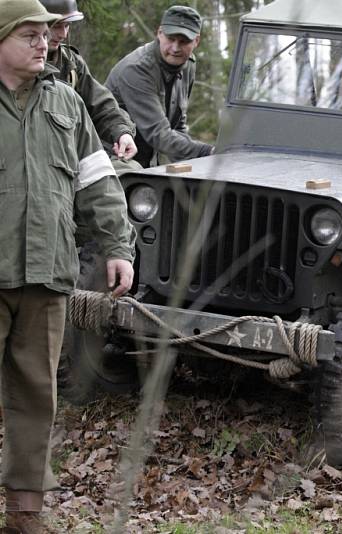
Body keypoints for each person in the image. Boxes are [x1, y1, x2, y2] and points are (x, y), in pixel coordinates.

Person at [0, 1, 135, 531]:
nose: (43, 43)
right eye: (28, 35)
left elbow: (97, 182)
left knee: (36, 394)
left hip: (46, 274)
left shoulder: (69, 103)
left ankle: (24, 514)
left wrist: (117, 247)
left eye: (44, 34)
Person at [105, 5, 214, 168]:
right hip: (114, 159)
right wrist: (209, 152)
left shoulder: (188, 64)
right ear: (160, 33)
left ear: (196, 41)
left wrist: (195, 162)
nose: (175, 48)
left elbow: (177, 126)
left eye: (183, 41)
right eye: (171, 39)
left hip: (147, 161)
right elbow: (159, 135)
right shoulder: (137, 70)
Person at [39, 0, 139, 172]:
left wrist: (122, 132)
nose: (63, 34)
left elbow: (101, 105)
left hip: (70, 157)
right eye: (56, 26)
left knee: (128, 171)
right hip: (36, 163)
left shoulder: (71, 64)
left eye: (67, 26)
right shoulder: (14, 64)